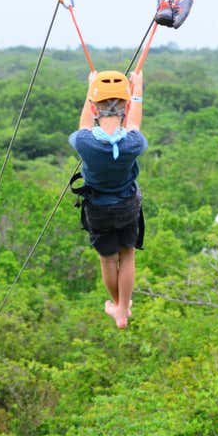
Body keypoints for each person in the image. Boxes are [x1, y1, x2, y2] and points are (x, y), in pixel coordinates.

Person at [69, 70, 147, 329]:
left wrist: (90, 88)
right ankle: (123, 307)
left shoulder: (86, 142)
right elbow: (134, 123)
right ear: (124, 106)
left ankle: (118, 308)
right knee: (128, 255)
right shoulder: (133, 143)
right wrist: (138, 92)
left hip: (99, 210)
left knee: (108, 259)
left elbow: (83, 124)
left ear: (94, 107)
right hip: (127, 206)